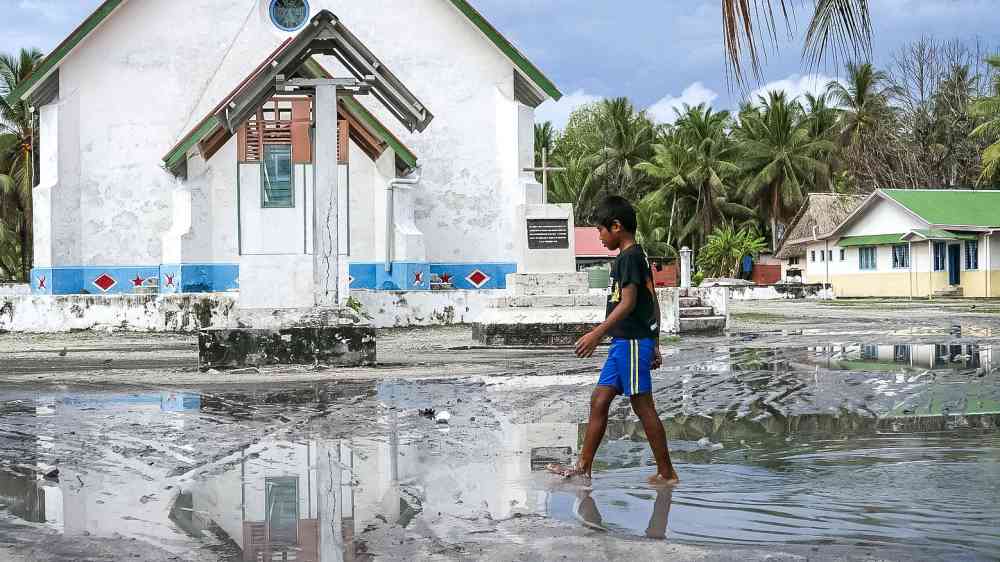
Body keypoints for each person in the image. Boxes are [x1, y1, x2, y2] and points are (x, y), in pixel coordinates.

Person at [548, 195, 679, 486]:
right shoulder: (634, 256)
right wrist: (655, 340)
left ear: (616, 227)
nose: (599, 236)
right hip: (626, 342)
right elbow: (652, 298)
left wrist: (597, 333)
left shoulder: (629, 257)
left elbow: (630, 302)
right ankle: (583, 466)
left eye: (601, 230)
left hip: (631, 342)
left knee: (642, 405)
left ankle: (667, 472)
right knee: (599, 399)